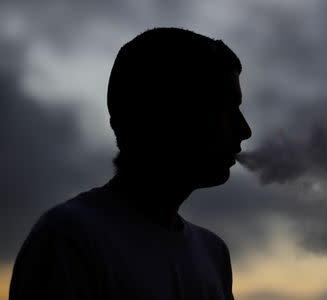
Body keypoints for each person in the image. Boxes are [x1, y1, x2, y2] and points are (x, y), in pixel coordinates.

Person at [9, 27, 252, 300]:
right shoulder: (68, 239)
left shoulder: (213, 253)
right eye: (227, 107)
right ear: (171, 112)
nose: (245, 129)